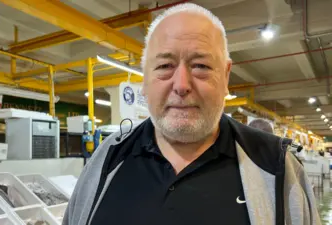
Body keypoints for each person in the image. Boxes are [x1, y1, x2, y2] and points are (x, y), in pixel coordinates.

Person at [63, 3, 320, 225]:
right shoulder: (107, 159)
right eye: (165, 66)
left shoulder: (276, 167)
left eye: (201, 66)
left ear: (226, 75)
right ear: (145, 78)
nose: (182, 84)